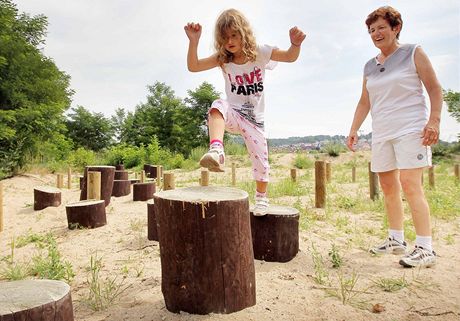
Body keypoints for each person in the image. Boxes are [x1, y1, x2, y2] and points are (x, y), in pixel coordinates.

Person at [184, 9, 306, 215]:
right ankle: (217, 150)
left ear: (243, 34)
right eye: (224, 37)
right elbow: (194, 66)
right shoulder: (223, 59)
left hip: (255, 121)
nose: (229, 41)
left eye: (234, 35)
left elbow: (289, 57)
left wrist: (295, 44)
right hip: (234, 114)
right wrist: (193, 41)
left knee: (260, 160)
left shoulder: (260, 53)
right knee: (217, 105)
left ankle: (261, 198)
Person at [346, 6, 442, 268]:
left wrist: (434, 120)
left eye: (381, 28)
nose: (376, 33)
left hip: (411, 128)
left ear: (395, 27)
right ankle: (396, 239)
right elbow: (364, 101)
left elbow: (434, 88)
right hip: (382, 132)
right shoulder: (370, 65)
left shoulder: (413, 52)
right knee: (388, 186)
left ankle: (425, 247)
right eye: (371, 30)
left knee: (410, 183)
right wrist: (354, 129)